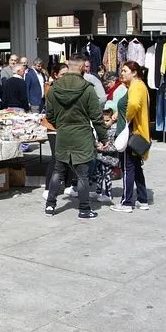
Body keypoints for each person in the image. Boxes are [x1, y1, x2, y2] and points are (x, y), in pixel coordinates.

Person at [44, 57, 106, 219]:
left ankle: (50, 205)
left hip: (63, 135)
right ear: (82, 68)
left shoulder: (54, 88)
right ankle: (84, 209)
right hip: (82, 136)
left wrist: (61, 124)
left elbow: (49, 115)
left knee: (58, 171)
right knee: (82, 175)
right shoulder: (87, 89)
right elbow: (97, 117)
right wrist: (104, 138)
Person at [111, 60, 151, 213]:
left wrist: (127, 118)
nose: (122, 73)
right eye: (122, 70)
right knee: (136, 167)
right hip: (135, 132)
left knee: (128, 167)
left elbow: (133, 105)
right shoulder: (137, 86)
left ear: (134, 73)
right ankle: (142, 199)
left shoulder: (136, 86)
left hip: (130, 133)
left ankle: (126, 202)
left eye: (125, 71)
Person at [90, 105, 120, 202]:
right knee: (98, 174)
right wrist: (96, 145)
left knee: (107, 175)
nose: (105, 123)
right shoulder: (101, 130)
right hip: (100, 156)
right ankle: (98, 191)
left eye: (107, 120)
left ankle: (108, 194)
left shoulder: (114, 131)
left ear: (113, 120)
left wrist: (103, 148)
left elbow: (115, 146)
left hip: (109, 158)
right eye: (103, 120)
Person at [42, 63, 65, 191]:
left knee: (68, 157)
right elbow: (51, 112)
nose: (66, 77)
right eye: (63, 74)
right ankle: (48, 187)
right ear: (55, 75)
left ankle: (68, 185)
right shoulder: (50, 88)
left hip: (66, 126)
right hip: (53, 127)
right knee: (56, 157)